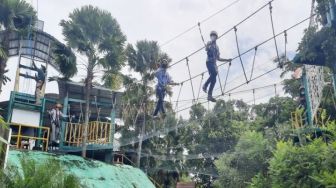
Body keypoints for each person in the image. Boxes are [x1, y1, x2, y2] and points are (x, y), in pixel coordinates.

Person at [202, 31, 232, 102]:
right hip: (209, 62)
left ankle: (209, 95)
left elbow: (218, 58)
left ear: (216, 37)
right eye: (212, 35)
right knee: (215, 73)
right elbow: (206, 49)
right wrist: (207, 45)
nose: (213, 37)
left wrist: (227, 60)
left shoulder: (217, 47)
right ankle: (205, 85)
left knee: (214, 80)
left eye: (214, 36)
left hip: (214, 64)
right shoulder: (209, 43)